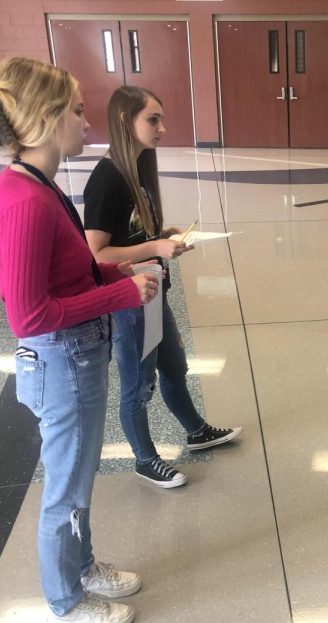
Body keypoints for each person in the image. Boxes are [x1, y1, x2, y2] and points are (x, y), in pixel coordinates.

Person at [0, 57, 158, 623]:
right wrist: (120, 299)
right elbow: (29, 314)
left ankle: (82, 566)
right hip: (61, 359)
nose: (86, 121)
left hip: (80, 354)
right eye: (75, 110)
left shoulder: (42, 185)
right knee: (65, 484)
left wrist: (124, 279)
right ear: (44, 119)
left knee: (80, 475)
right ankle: (65, 603)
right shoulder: (22, 200)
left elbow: (76, 275)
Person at [83, 85, 241, 489]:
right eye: (152, 119)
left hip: (153, 292)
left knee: (174, 366)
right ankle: (145, 458)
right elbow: (97, 253)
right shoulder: (107, 179)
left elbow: (132, 231)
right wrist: (154, 245)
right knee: (137, 385)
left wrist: (160, 232)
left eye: (161, 119)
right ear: (125, 120)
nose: (162, 127)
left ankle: (196, 431)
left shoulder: (139, 167)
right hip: (129, 300)